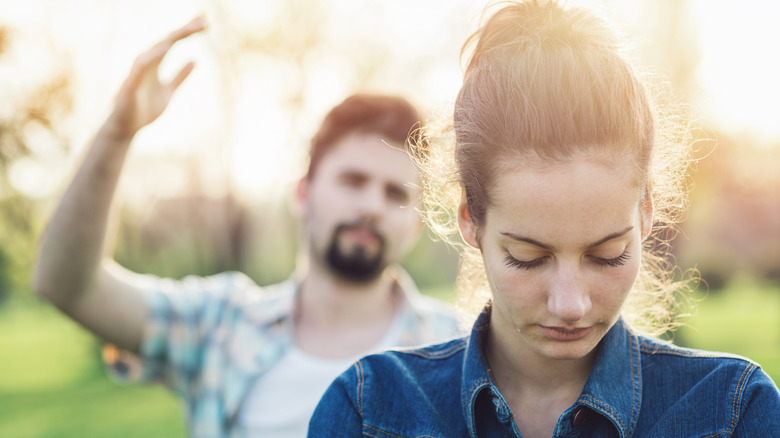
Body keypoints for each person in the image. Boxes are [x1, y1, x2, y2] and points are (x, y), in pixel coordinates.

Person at [309, 1, 780, 436]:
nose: (570, 304)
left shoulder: (734, 411)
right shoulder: (369, 411)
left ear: (647, 211)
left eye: (607, 255)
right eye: (527, 257)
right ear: (470, 219)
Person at [32, 17, 461, 438]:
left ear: (414, 224)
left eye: (396, 194)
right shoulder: (219, 327)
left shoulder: (460, 352)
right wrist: (117, 133)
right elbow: (69, 285)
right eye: (352, 181)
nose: (372, 206)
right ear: (302, 193)